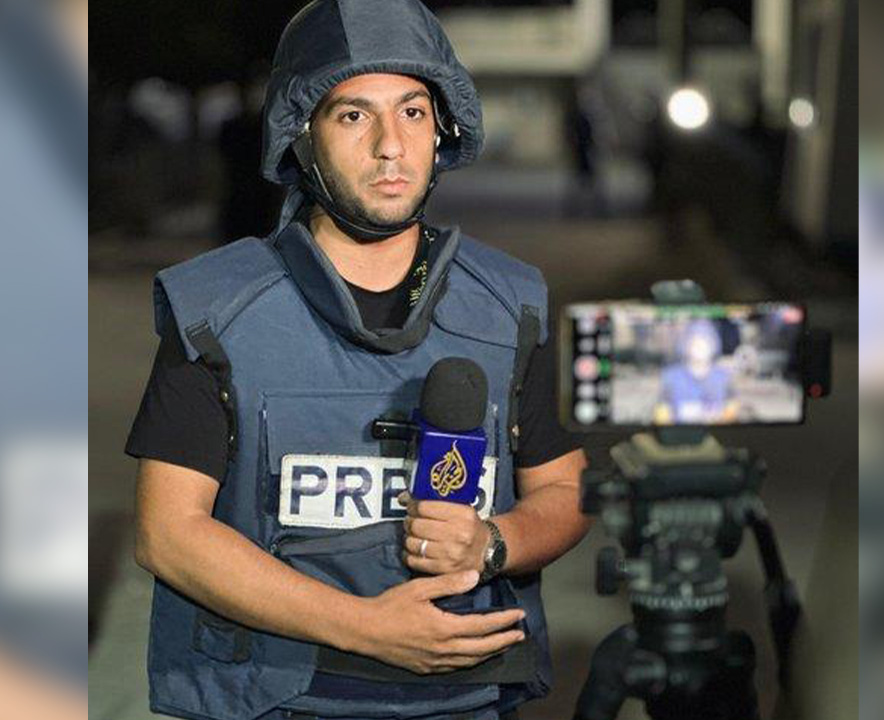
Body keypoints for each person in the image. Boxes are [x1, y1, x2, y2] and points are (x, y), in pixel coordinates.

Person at [124, 2, 590, 719]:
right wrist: (367, 629)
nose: (390, 146)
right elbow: (168, 534)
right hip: (273, 701)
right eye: (353, 116)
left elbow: (566, 490)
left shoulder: (506, 306)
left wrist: (494, 544)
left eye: (412, 112)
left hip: (463, 699)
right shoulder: (219, 311)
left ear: (442, 130)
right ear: (302, 135)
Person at [657, 319, 737, 423]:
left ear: (713, 344)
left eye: (705, 342)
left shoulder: (723, 378)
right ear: (686, 345)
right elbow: (662, 414)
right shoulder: (671, 377)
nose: (700, 347)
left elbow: (731, 413)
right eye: (695, 342)